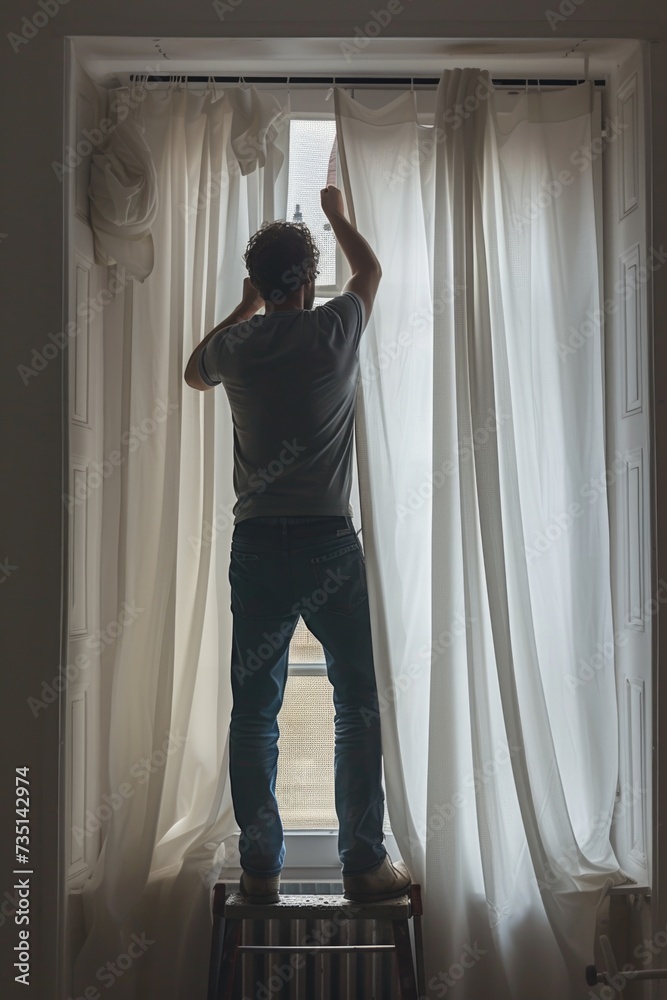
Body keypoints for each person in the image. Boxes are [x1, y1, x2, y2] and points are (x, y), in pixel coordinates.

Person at [184, 185, 410, 905]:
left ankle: (260, 872)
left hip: (257, 546)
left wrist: (245, 306)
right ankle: (363, 864)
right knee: (356, 705)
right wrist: (340, 216)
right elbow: (368, 274)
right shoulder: (333, 329)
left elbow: (192, 371)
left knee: (254, 711)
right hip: (326, 544)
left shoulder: (237, 345)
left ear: (257, 282)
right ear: (308, 279)